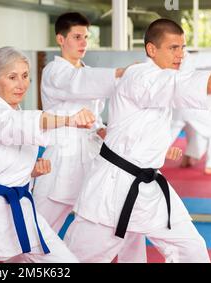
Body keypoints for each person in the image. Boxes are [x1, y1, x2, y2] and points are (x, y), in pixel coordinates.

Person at [64, 19, 211, 263]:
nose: (180, 55)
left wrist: (160, 149)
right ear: (152, 49)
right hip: (114, 188)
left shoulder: (164, 75)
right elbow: (178, 86)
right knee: (77, 259)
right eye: (173, 48)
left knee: (191, 249)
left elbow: (181, 88)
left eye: (182, 48)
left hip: (150, 186)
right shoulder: (139, 76)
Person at [0, 46, 96, 263]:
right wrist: (68, 119)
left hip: (19, 210)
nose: (21, 84)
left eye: (25, 76)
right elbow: (21, 126)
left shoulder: (18, 112)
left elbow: (3, 160)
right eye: (12, 77)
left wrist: (31, 170)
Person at [31, 12, 147, 263]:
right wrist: (120, 72)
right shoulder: (54, 71)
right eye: (76, 37)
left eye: (86, 37)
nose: (83, 42)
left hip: (94, 155)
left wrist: (103, 128)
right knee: (38, 227)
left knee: (118, 214)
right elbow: (78, 83)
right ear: (61, 39)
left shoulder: (89, 71)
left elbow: (98, 110)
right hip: (62, 158)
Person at [170, 51, 211, 174]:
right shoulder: (187, 57)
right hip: (190, 105)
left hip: (175, 105)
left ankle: (187, 158)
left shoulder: (169, 58)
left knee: (169, 136)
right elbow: (205, 59)